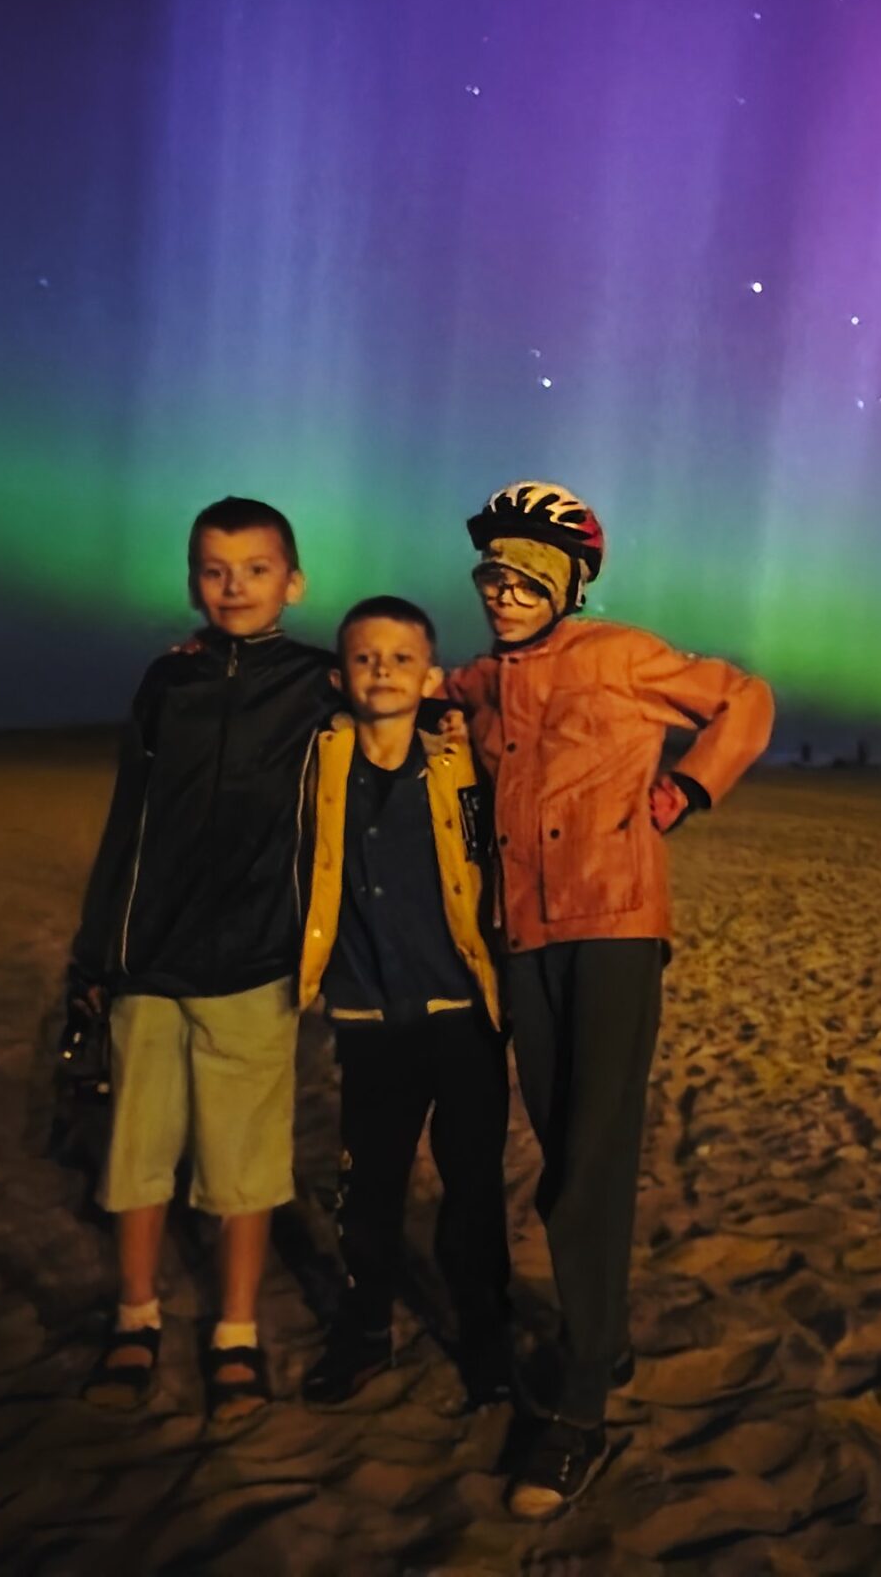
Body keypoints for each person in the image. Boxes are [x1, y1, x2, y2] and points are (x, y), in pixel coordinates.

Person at [444, 481, 775, 1517]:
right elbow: (395, 679)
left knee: (588, 1163)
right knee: (562, 1153)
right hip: (523, 938)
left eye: (522, 580)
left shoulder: (623, 655)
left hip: (616, 930)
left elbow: (745, 699)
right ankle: (608, 1337)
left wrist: (688, 788)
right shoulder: (484, 681)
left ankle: (580, 1406)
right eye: (490, 577)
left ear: (565, 584)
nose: (501, 595)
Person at [67, 497, 335, 1425]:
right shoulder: (166, 680)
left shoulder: (319, 681)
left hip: (256, 960)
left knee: (245, 1164)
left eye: (256, 570)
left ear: (292, 583)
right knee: (137, 1154)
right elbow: (128, 819)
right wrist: (97, 951)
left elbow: (403, 706)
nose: (234, 587)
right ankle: (135, 1316)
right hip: (149, 959)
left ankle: (235, 1331)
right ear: (193, 582)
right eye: (214, 571)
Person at [295, 596, 513, 1411]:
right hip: (368, 1018)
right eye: (363, 658)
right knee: (369, 1190)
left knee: (473, 1189)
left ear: (430, 678)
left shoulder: (461, 767)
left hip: (462, 1016)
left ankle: (487, 1338)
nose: (381, 670)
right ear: (337, 676)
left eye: (400, 659)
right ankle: (364, 1333)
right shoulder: (315, 765)